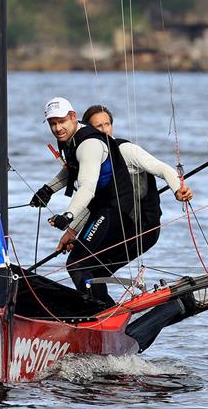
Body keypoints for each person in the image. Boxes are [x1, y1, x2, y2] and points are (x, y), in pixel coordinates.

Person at [30, 97, 136, 306]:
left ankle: (103, 312)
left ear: (73, 117)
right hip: (101, 209)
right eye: (52, 124)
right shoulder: (72, 140)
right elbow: (71, 169)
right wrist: (48, 190)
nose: (58, 128)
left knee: (78, 263)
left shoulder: (88, 144)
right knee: (83, 264)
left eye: (62, 121)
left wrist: (68, 216)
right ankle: (103, 309)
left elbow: (87, 187)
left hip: (115, 208)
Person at [81, 105, 193, 259]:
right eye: (98, 126)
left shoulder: (125, 150)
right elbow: (90, 201)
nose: (104, 130)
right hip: (117, 225)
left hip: (143, 226)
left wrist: (177, 190)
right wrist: (72, 231)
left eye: (107, 124)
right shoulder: (91, 158)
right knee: (86, 263)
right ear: (88, 130)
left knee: (87, 264)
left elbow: (162, 168)